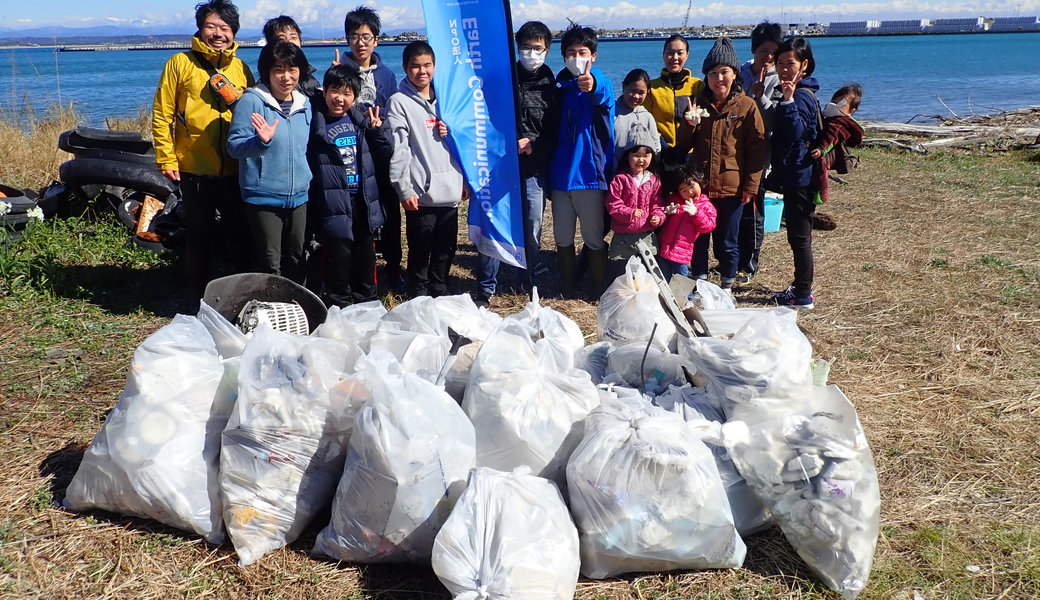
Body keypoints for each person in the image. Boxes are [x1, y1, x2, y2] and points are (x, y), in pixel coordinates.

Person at [152, 0, 254, 300]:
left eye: (225, 28)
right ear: (200, 29)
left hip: (235, 168)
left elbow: (255, 112)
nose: (218, 33)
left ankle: (241, 297)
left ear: (234, 32)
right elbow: (162, 113)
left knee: (239, 234)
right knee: (199, 236)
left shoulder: (241, 68)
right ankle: (196, 298)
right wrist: (166, 157)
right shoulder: (180, 63)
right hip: (194, 166)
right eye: (211, 26)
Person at [474, 20, 558, 307]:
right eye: (525, 47)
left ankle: (528, 273)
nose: (531, 53)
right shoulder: (502, 79)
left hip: (533, 168)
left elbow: (553, 130)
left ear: (547, 51)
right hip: (499, 167)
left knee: (532, 224)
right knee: (493, 222)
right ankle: (486, 286)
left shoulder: (552, 86)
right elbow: (482, 116)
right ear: (517, 47)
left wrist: (534, 145)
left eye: (537, 48)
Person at [226, 41, 313, 283]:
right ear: (267, 72)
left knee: (297, 257)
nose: (286, 77)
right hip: (262, 196)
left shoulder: (304, 104)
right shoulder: (252, 101)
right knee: (269, 262)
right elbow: (233, 147)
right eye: (278, 70)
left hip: (299, 196)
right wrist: (259, 141)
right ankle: (268, 305)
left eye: (292, 69)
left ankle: (297, 303)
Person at [306, 65, 392, 307]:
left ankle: (368, 304)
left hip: (362, 200)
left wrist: (376, 132)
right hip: (333, 201)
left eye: (347, 93)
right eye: (335, 91)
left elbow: (385, 153)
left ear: (354, 97)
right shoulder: (315, 125)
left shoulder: (361, 123)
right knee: (338, 257)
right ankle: (339, 305)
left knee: (365, 256)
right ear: (324, 92)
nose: (340, 98)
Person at [687, 37, 767, 294]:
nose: (718, 78)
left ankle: (726, 287)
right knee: (699, 238)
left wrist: (751, 186)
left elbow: (757, 149)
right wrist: (689, 125)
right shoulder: (697, 104)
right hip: (701, 186)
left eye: (724, 72)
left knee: (728, 241)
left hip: (732, 187)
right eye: (713, 73)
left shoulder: (746, 106)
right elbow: (683, 145)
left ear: (734, 74)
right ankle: (699, 284)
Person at [386, 41, 465, 298]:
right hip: (421, 193)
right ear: (405, 68)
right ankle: (418, 295)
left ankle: (440, 292)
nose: (422, 71)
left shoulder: (448, 99)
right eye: (415, 66)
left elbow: (466, 141)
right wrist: (404, 188)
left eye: (427, 65)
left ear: (434, 66)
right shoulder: (398, 102)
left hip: (451, 189)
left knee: (445, 249)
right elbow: (399, 148)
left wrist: (465, 179)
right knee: (420, 249)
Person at [339, 5, 402, 290]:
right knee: (356, 209)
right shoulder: (340, 72)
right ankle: (358, 268)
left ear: (376, 40)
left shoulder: (387, 75)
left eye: (366, 37)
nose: (360, 43)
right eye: (354, 37)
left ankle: (393, 266)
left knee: (389, 208)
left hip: (380, 150)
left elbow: (393, 110)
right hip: (351, 152)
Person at [549, 23, 615, 298]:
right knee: (562, 237)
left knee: (593, 237)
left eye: (583, 52)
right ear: (564, 56)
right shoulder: (559, 87)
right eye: (571, 52)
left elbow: (603, 93)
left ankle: (598, 288)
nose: (577, 58)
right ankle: (568, 286)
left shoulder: (600, 82)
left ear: (593, 56)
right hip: (560, 177)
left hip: (589, 176)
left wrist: (592, 84)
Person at [768, 37, 821, 309]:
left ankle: (802, 294)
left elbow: (796, 132)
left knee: (800, 238)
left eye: (790, 63)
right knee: (799, 236)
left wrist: (788, 101)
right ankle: (801, 288)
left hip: (801, 176)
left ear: (805, 65)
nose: (784, 69)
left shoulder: (800, 95)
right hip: (796, 173)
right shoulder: (798, 91)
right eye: (780, 63)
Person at [735, 21, 783, 285]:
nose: (768, 57)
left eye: (774, 52)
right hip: (733, 152)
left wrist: (760, 96)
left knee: (753, 210)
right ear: (754, 49)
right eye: (764, 50)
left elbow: (775, 121)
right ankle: (731, 259)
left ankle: (749, 264)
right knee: (734, 208)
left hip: (760, 155)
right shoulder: (739, 73)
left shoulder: (780, 79)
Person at [605, 128, 665, 265]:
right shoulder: (620, 179)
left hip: (646, 234)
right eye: (636, 155)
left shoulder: (653, 180)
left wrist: (658, 216)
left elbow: (657, 203)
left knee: (648, 269)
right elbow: (612, 203)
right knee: (621, 269)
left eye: (646, 155)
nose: (641, 160)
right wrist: (629, 213)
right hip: (623, 235)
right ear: (627, 156)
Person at [642, 34, 705, 153]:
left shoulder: (697, 85)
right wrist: (664, 147)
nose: (675, 57)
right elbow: (645, 121)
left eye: (680, 53)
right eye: (670, 53)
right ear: (663, 55)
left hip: (691, 154)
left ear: (687, 55)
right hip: (661, 152)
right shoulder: (651, 88)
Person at [657, 164, 717, 281]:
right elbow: (661, 213)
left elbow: (708, 226)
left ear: (700, 183)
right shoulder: (674, 200)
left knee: (681, 279)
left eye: (692, 186)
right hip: (664, 247)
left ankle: (684, 294)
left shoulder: (706, 205)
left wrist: (696, 213)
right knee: (662, 278)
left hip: (682, 251)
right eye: (683, 190)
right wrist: (666, 212)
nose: (689, 192)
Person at [811, 83, 865, 204]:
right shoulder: (832, 117)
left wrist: (821, 149)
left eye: (841, 104)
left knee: (822, 167)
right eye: (835, 102)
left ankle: (821, 193)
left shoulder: (840, 123)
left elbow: (831, 137)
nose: (835, 106)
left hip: (827, 152)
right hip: (831, 150)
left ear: (851, 111)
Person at [262, 15, 320, 100]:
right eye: (281, 39)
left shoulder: (310, 79)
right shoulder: (265, 86)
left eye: (293, 37)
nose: (289, 42)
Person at [614, 69, 661, 168]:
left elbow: (656, 148)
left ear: (647, 92)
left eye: (641, 93)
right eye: (632, 91)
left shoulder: (647, 117)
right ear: (623, 87)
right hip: (613, 171)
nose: (636, 96)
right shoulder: (612, 113)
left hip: (639, 173)